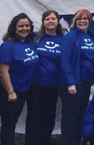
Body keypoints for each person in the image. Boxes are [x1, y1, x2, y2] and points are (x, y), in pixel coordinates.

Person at [0, 13, 40, 145]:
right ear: (14, 27)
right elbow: (3, 71)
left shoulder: (30, 41)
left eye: (27, 25)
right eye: (20, 26)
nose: (24, 28)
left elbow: (41, 32)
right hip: (6, 89)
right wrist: (11, 92)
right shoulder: (8, 45)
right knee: (9, 122)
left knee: (14, 119)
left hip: (23, 88)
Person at [59, 9, 94, 145]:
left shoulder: (90, 36)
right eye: (79, 18)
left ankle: (78, 141)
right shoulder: (71, 36)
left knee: (81, 114)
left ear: (89, 21)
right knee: (70, 116)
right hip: (73, 84)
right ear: (74, 21)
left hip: (86, 82)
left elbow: (93, 60)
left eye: (85, 19)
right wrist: (70, 83)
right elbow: (64, 60)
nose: (82, 21)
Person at [26, 10, 65, 145]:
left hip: (52, 86)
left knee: (48, 118)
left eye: (53, 18)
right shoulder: (35, 37)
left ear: (57, 21)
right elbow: (18, 43)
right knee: (33, 117)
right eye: (47, 19)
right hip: (35, 85)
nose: (50, 21)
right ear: (43, 22)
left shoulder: (63, 39)